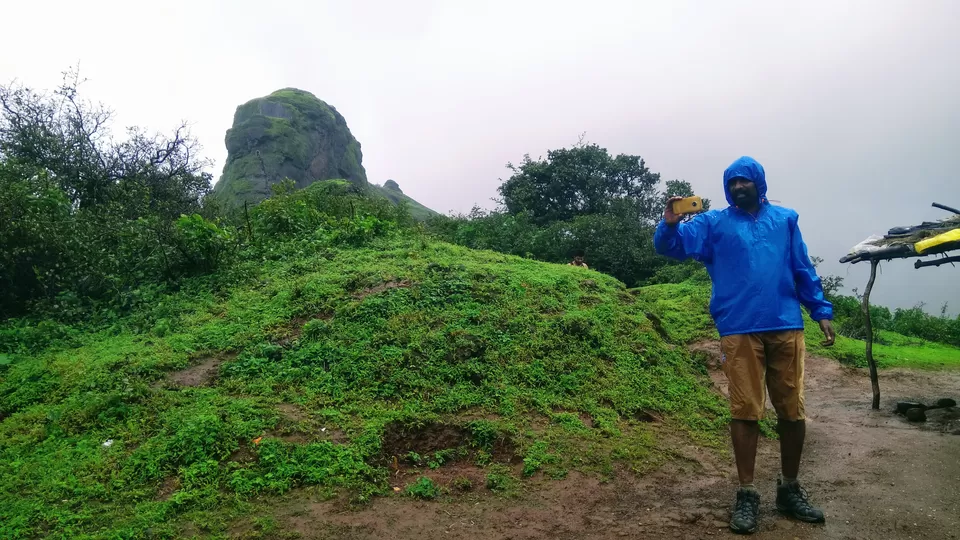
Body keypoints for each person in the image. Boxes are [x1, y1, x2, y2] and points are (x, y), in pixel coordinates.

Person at [654, 156, 835, 535]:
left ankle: (789, 488)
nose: (738, 187)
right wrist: (669, 223)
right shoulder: (712, 222)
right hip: (738, 328)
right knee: (745, 410)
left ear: (759, 183)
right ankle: (747, 493)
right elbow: (670, 247)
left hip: (786, 323)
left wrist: (820, 309)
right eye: (732, 182)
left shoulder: (785, 220)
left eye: (744, 181)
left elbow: (802, 267)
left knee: (792, 410)